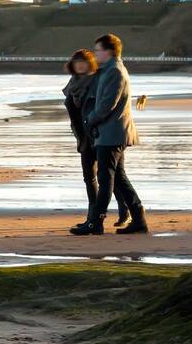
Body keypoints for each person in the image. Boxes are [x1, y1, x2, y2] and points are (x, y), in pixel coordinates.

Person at [71, 33, 147, 236]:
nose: (95, 54)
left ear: (109, 51)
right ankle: (138, 218)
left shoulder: (114, 71)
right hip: (113, 132)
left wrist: (90, 120)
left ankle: (96, 222)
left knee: (106, 179)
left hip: (111, 133)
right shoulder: (109, 70)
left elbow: (107, 104)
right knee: (119, 178)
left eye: (98, 50)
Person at [62, 49, 128, 231]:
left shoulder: (99, 80)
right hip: (83, 135)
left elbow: (106, 106)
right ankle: (92, 217)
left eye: (84, 61)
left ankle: (122, 211)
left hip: (102, 134)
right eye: (77, 61)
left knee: (111, 177)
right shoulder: (73, 84)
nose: (80, 65)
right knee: (89, 177)